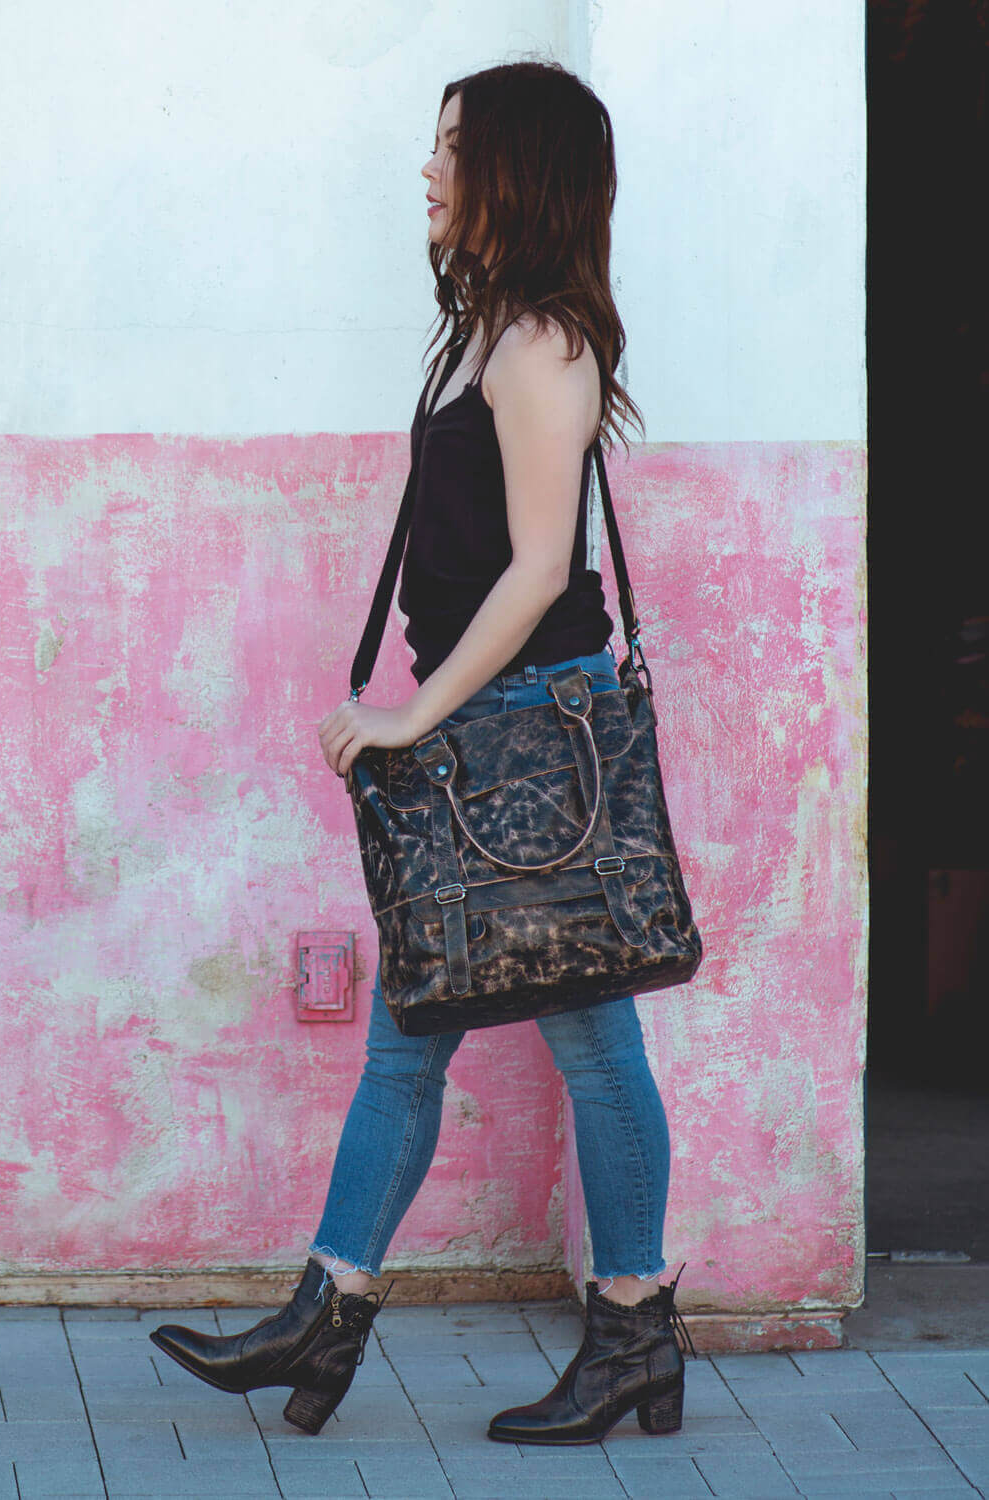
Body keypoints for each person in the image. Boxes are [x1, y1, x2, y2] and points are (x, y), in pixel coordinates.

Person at [150, 59, 693, 1444]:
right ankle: (328, 1320)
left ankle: (623, 1327)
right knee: (416, 1044)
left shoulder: (544, 345)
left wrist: (407, 710)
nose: (431, 171)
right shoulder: (481, 333)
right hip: (486, 740)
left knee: (587, 1040)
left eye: (452, 148)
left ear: (515, 168)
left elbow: (537, 571)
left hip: (532, 747)